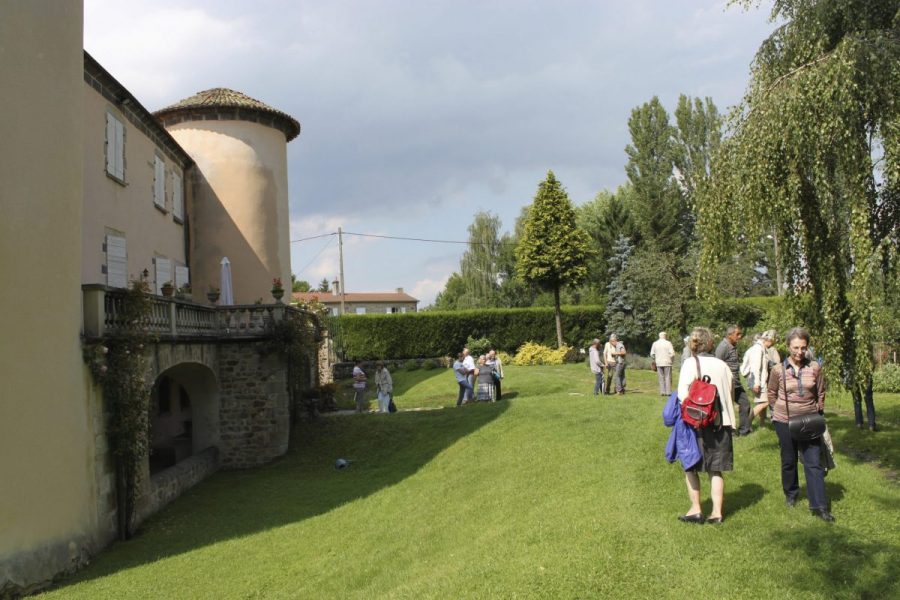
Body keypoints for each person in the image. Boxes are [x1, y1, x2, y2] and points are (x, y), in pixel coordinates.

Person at [767, 327, 834, 522]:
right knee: (789, 460)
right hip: (784, 421)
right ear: (788, 346)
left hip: (809, 421)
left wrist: (818, 411)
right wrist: (776, 411)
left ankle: (820, 506)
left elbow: (820, 391)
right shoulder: (778, 370)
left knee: (814, 462)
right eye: (795, 347)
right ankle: (791, 493)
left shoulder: (814, 367)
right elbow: (771, 393)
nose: (799, 352)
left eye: (803, 348)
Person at [676, 326, 736, 525]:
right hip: (721, 422)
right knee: (715, 469)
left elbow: (682, 395)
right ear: (710, 343)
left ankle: (696, 509)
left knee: (690, 466)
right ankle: (717, 513)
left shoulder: (690, 363)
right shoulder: (722, 365)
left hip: (697, 422)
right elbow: (730, 393)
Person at [716, 325, 751, 436]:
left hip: (736, 383)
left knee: (745, 404)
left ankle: (744, 430)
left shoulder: (733, 345)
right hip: (727, 383)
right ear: (729, 335)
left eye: (740, 334)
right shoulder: (723, 346)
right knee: (727, 408)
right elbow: (717, 364)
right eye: (737, 334)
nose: (740, 336)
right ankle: (729, 431)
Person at [741, 331, 775, 428]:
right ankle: (747, 423)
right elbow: (755, 367)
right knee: (766, 402)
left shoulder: (761, 348)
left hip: (760, 380)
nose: (773, 344)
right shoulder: (758, 349)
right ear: (768, 340)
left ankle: (762, 425)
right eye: (772, 341)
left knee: (761, 402)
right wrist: (757, 383)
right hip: (757, 381)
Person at [650, 332, 675, 397]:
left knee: (661, 377)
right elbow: (672, 353)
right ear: (665, 336)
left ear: (659, 336)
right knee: (668, 377)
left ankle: (662, 391)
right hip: (667, 362)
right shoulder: (668, 343)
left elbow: (652, 354)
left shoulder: (655, 343)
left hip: (658, 362)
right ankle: (668, 392)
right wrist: (671, 359)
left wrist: (655, 359)